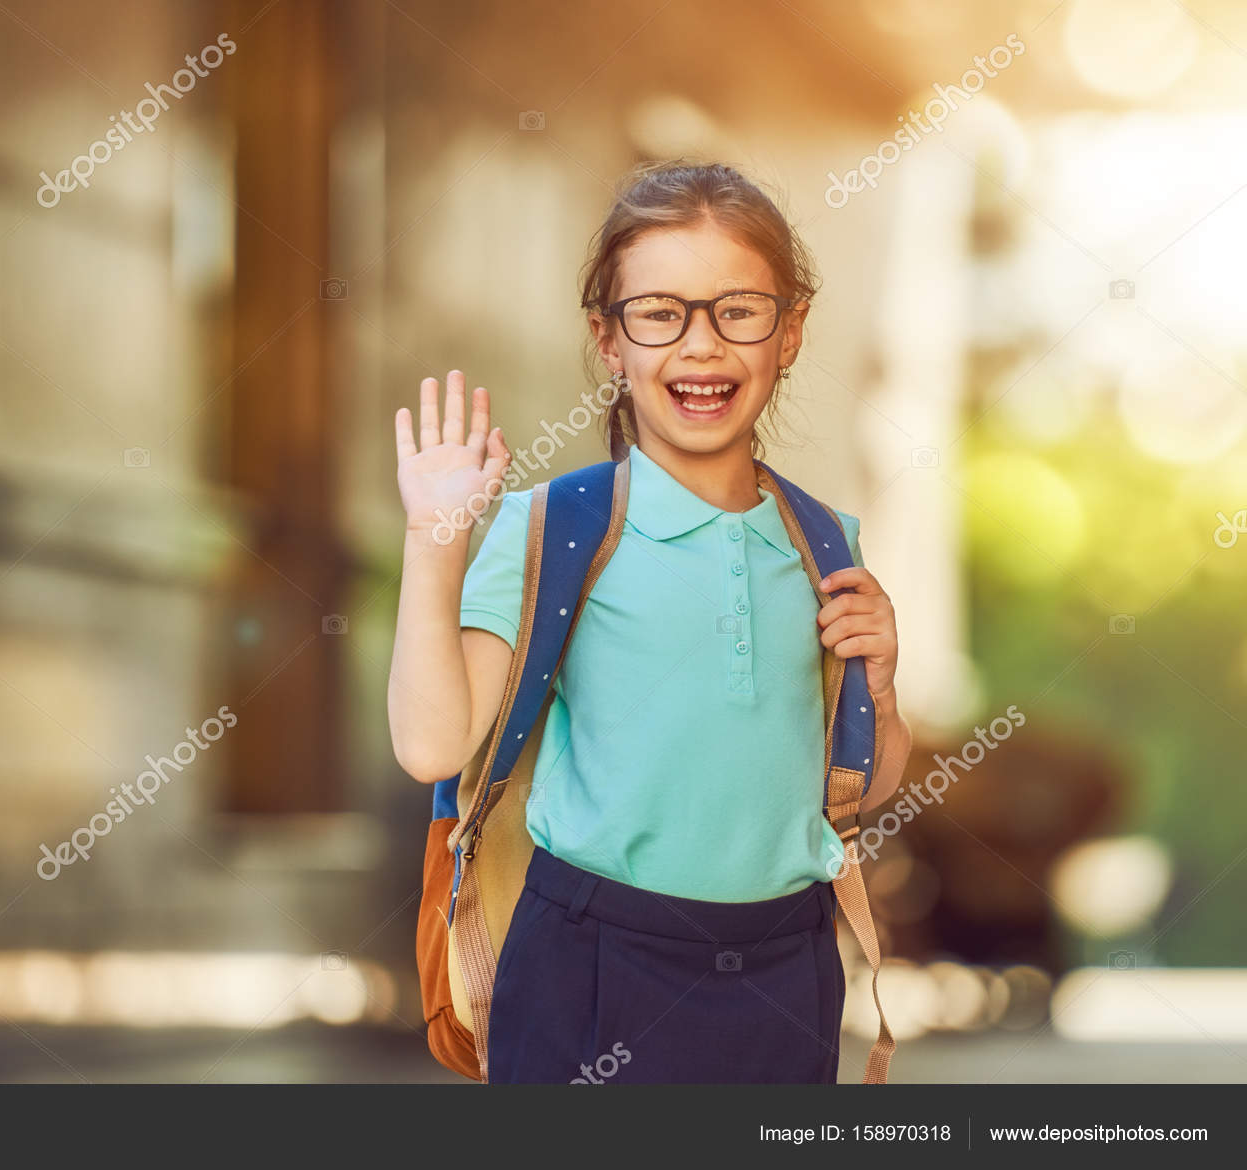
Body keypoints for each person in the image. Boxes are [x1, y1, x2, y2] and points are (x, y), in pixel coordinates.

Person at [389, 160, 912, 1083]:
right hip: (590, 965)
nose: (700, 346)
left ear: (788, 334)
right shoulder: (551, 529)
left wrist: (884, 679)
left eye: (738, 311)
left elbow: (859, 786)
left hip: (785, 967)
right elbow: (433, 745)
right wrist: (436, 541)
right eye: (660, 313)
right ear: (609, 341)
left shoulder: (830, 542)